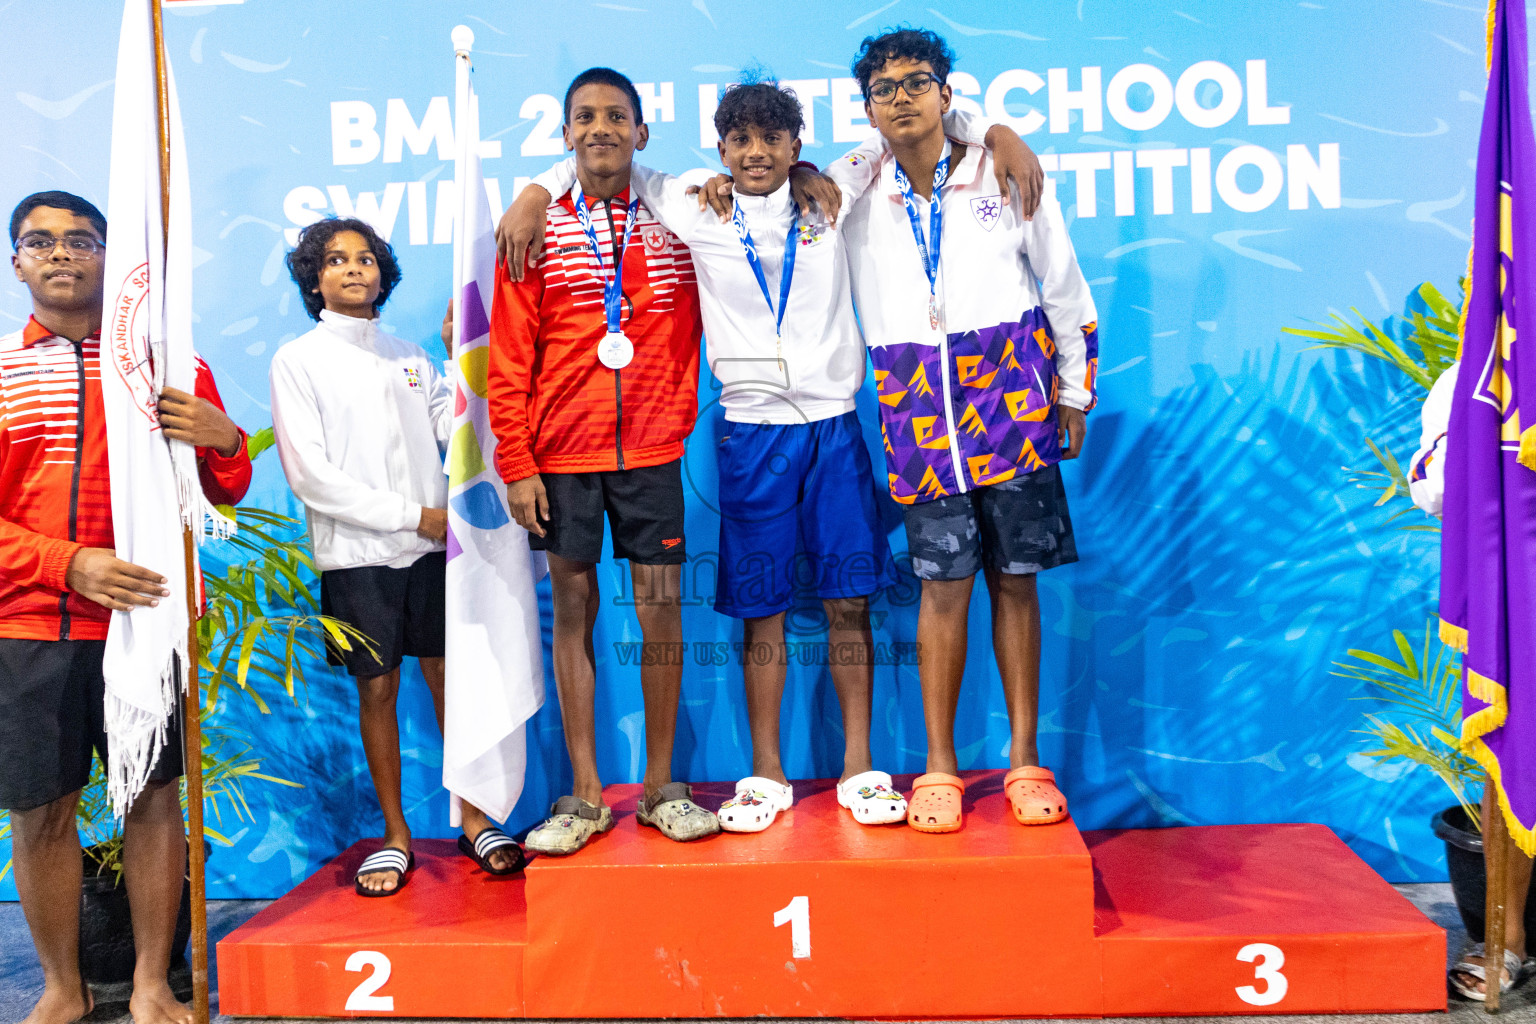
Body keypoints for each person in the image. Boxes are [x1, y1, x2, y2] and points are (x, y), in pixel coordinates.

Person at [499, 80, 1042, 831]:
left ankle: (859, 769)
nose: (755, 154)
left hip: (833, 429)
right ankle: (765, 774)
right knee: (765, 611)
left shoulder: (835, 193)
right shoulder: (690, 202)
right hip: (751, 436)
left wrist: (999, 133)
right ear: (720, 149)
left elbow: (904, 129)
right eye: (740, 141)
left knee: (850, 604)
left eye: (772, 141)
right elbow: (605, 160)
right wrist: (534, 190)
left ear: (796, 147)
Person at [830, 29, 1100, 833]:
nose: (901, 98)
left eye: (919, 83)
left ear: (948, 94)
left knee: (1017, 581)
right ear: (868, 106)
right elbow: (783, 181)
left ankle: (1023, 760)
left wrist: (1074, 394)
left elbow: (1064, 286)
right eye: (884, 88)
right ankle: (940, 768)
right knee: (942, 591)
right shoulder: (854, 189)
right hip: (917, 411)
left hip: (1012, 404)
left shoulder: (1004, 170)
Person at [2, 190, 251, 1024]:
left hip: (148, 622)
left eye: (80, 239)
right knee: (40, 812)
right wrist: (67, 563)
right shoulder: (1, 373)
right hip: (32, 626)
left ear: (112, 256)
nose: (62, 253)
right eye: (41, 242)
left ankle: (151, 981)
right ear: (17, 265)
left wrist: (225, 439)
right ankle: (63, 989)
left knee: (152, 799)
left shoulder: (167, 362)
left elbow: (224, 487)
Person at [486, 67, 719, 854]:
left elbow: (750, 187)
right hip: (562, 456)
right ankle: (585, 794)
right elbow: (512, 356)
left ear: (641, 131)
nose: (600, 129)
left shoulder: (677, 215)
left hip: (652, 450)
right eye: (584, 117)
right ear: (566, 134)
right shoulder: (534, 229)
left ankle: (660, 786)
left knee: (661, 613)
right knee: (574, 616)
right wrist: (517, 462)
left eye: (616, 116)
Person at [269, 217, 524, 895]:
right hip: (358, 556)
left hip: (433, 554)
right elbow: (311, 477)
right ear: (313, 278)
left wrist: (459, 359)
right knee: (378, 689)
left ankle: (473, 818)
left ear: (383, 270)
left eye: (365, 258)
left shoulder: (410, 355)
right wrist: (416, 517)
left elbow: (458, 433)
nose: (353, 269)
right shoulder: (299, 360)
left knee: (449, 679)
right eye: (335, 260)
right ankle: (395, 836)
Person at [1410, 365, 1534, 999]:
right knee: (1511, 752)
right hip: (1522, 590)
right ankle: (1505, 942)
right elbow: (1431, 489)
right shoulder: (1479, 374)